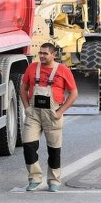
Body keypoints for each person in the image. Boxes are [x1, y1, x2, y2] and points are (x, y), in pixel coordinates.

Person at [19, 42, 78, 192]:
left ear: (53, 55)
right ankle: (35, 178)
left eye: (45, 53)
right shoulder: (32, 68)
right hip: (34, 114)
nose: (42, 56)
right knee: (28, 146)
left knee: (54, 150)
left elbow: (74, 93)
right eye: (40, 53)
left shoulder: (63, 70)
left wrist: (60, 112)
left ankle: (54, 181)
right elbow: (23, 88)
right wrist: (26, 107)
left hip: (53, 114)